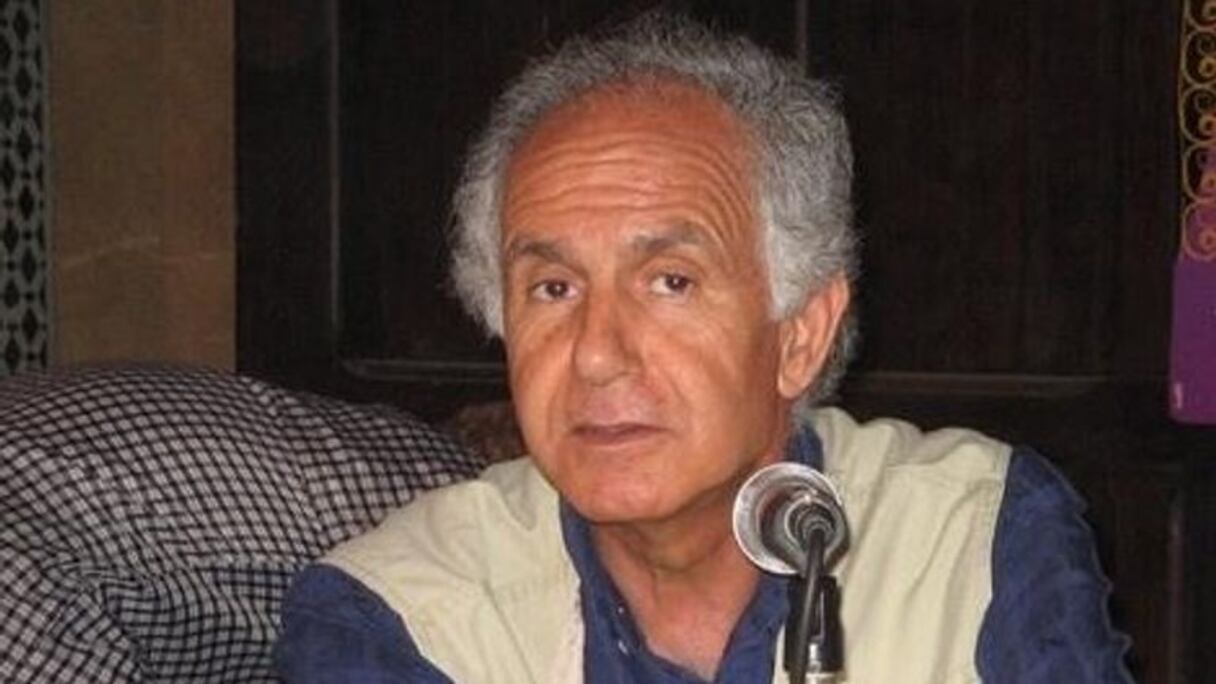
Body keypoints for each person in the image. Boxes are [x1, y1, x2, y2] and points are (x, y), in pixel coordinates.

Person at [274, 13, 1132, 683]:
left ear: (800, 334)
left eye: (670, 282)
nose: (596, 354)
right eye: (553, 289)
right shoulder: (400, 614)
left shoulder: (974, 540)